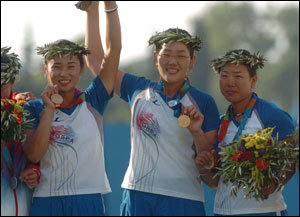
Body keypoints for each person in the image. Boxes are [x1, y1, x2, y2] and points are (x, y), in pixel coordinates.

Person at [85, 3, 220, 215]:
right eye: (166, 54)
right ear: (156, 57)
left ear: (192, 61)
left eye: (181, 55)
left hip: (184, 199)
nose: (172, 61)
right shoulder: (137, 89)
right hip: (138, 195)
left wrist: (197, 132)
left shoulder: (204, 102)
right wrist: (93, 11)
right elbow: (97, 62)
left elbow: (212, 175)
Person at [22, 1, 121, 215]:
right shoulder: (33, 108)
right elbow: (34, 156)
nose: (63, 73)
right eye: (56, 66)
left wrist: (109, 6)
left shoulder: (94, 100)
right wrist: (49, 110)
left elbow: (113, 52)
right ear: (45, 69)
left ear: (82, 68)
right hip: (46, 200)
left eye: (70, 66)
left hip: (88, 199)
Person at [195, 49, 296, 216]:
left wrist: (272, 184)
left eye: (238, 76)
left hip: (264, 211)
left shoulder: (273, 115)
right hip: (222, 211)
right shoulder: (219, 124)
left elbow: (291, 163)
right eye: (224, 75)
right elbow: (214, 182)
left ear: (253, 80)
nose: (230, 82)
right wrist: (204, 168)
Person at [1, 47, 40, 216]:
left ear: (13, 82)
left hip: (24, 202)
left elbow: (42, 154)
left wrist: (34, 170)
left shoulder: (25, 108)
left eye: (2, 85)